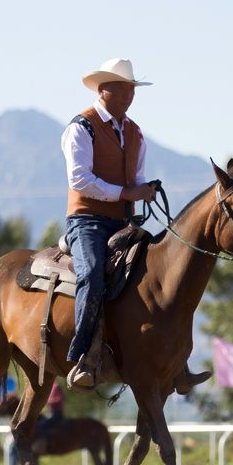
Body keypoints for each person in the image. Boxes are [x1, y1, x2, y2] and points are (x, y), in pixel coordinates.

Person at [61, 58, 210, 393]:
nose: (129, 95)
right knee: (93, 273)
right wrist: (128, 192)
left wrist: (143, 190)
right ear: (103, 90)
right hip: (86, 220)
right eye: (123, 89)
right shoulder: (80, 128)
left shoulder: (135, 132)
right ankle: (83, 355)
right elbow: (80, 180)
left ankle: (175, 363)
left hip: (123, 221)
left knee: (161, 274)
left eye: (132, 90)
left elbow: (137, 177)